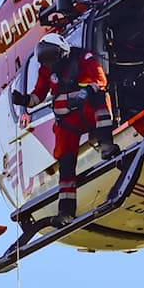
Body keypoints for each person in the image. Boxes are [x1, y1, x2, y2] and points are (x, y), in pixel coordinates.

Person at [11, 34, 120, 225]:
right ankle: (66, 211)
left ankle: (106, 146)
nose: (50, 63)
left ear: (63, 51)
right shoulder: (46, 71)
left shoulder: (83, 57)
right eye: (46, 60)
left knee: (100, 100)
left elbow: (100, 80)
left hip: (87, 108)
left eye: (52, 57)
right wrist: (23, 100)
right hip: (68, 120)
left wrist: (87, 92)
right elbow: (38, 95)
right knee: (66, 165)